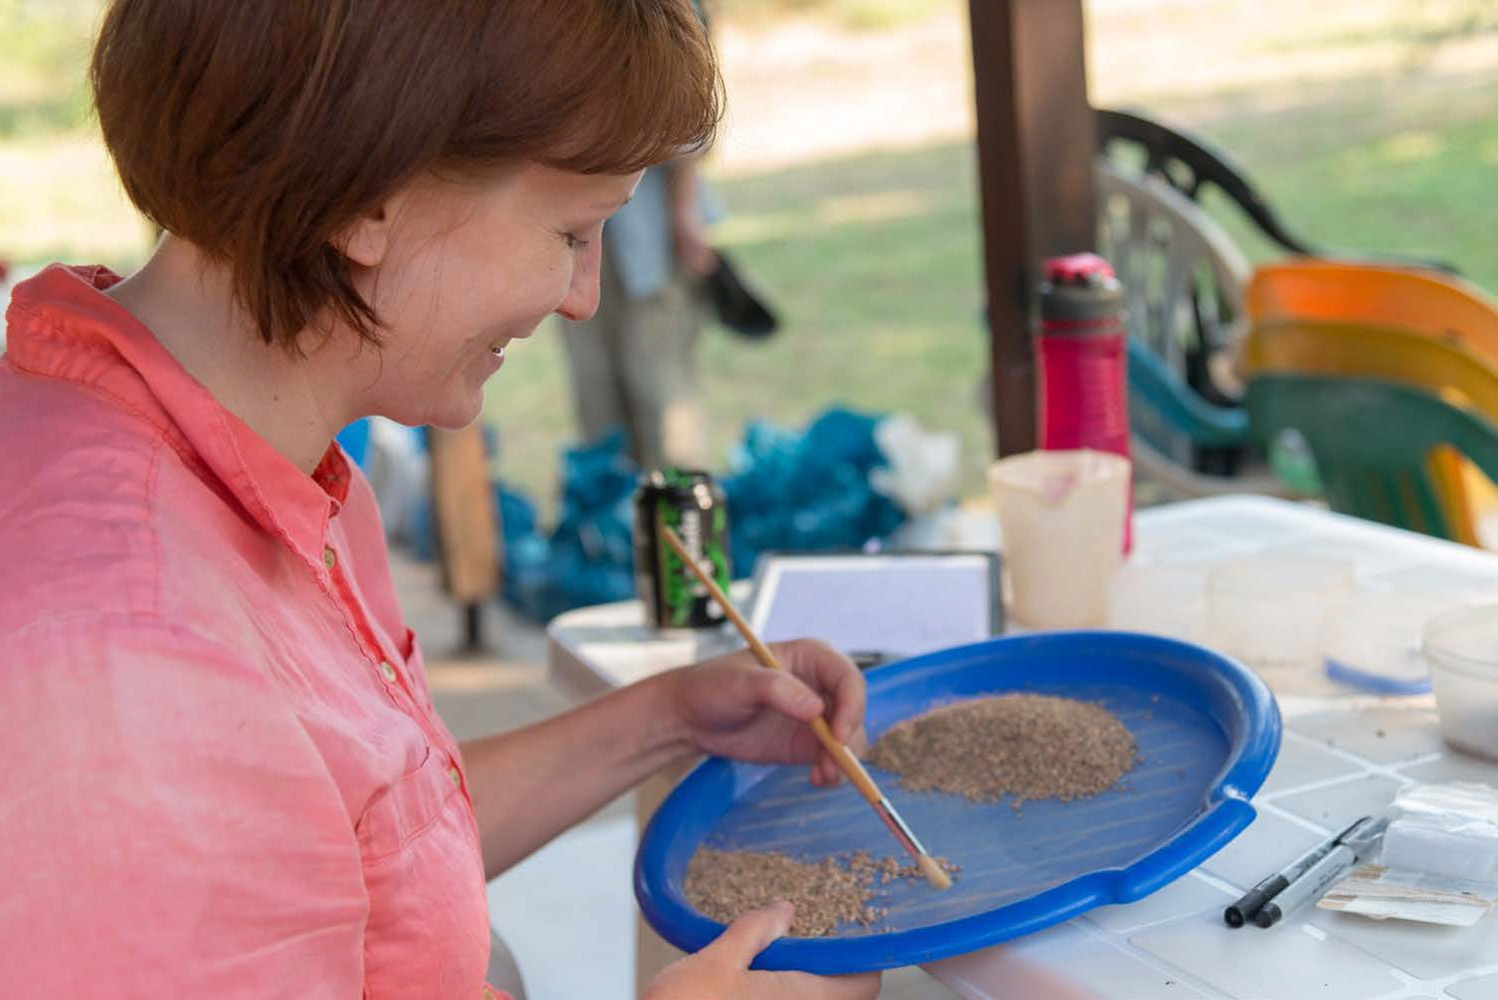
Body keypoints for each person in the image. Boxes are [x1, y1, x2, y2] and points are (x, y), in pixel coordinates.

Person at [0, 3, 879, 999]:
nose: (581, 294)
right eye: (573, 230)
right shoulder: (125, 648)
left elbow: (334, 845)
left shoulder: (240, 458)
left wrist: (670, 719)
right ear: (370, 195)